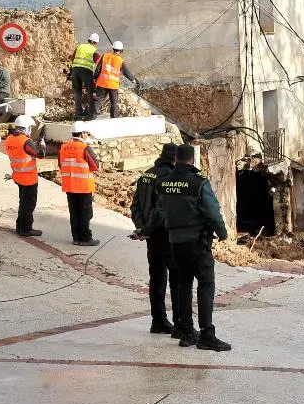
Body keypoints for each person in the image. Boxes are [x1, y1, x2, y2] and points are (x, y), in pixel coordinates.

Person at [155, 144, 232, 351]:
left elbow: (161, 210)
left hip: (175, 242)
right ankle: (207, 334)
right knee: (206, 285)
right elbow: (212, 211)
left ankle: (187, 332)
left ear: (176, 159)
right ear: (192, 159)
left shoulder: (163, 183)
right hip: (197, 242)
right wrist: (223, 233)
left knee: (183, 286)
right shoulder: (198, 183)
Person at [131, 142, 179, 335]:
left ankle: (158, 321)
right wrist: (148, 228)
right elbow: (161, 210)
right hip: (166, 235)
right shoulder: (169, 178)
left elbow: (135, 205)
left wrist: (142, 228)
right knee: (177, 280)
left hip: (151, 236)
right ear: (175, 159)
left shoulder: (146, 175)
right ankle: (181, 323)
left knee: (157, 278)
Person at [58, 121, 100, 247]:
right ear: (82, 133)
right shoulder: (85, 148)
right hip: (83, 187)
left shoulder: (63, 147)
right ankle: (86, 238)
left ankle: (76, 238)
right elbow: (95, 166)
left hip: (69, 186)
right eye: (86, 133)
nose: (87, 135)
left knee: (74, 213)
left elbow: (61, 165)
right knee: (85, 214)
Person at [4, 115, 45, 237]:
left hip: (18, 176)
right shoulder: (26, 141)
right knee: (28, 205)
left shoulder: (9, 139)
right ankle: (25, 229)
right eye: (30, 128)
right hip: (29, 179)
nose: (30, 131)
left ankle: (20, 226)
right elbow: (40, 154)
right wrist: (42, 146)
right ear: (26, 128)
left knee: (23, 202)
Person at [93, 40, 139, 119]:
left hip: (102, 83)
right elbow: (126, 72)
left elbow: (98, 68)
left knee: (98, 100)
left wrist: (95, 77)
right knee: (114, 103)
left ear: (113, 48)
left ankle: (92, 117)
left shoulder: (105, 56)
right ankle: (114, 118)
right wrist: (134, 81)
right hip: (113, 86)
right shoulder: (120, 60)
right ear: (121, 50)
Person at [69, 33, 100, 121]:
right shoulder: (94, 50)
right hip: (86, 71)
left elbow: (72, 58)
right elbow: (98, 62)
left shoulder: (80, 46)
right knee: (90, 91)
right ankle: (90, 111)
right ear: (96, 43)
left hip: (75, 70)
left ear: (88, 40)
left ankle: (78, 112)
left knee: (77, 91)